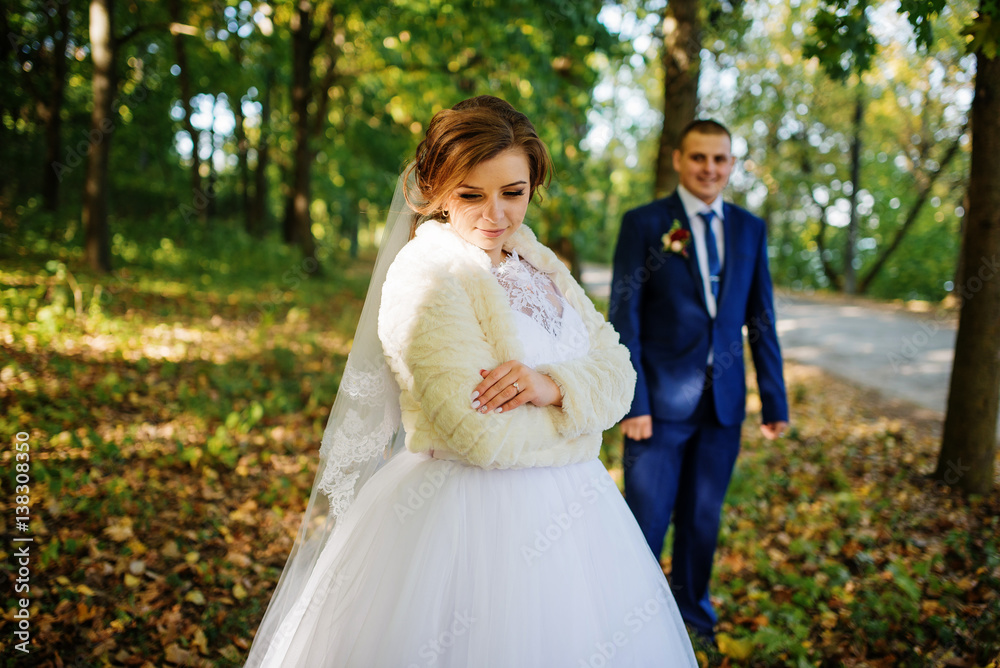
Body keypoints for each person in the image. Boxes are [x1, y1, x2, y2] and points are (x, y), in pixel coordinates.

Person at [244, 96, 697, 667]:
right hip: (458, 520)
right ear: (435, 190)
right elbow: (478, 434)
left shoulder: (536, 260)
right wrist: (584, 430)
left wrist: (550, 384)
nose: (496, 215)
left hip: (579, 520)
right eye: (470, 194)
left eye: (513, 192)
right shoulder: (426, 275)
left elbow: (621, 373)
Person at [609, 119, 789, 643]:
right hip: (657, 405)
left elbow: (762, 319)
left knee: (702, 518)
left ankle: (693, 616)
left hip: (725, 404)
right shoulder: (644, 223)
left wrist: (773, 401)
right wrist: (633, 401)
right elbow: (626, 316)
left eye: (720, 159)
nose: (709, 168)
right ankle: (629, 621)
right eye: (699, 158)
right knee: (647, 518)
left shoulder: (749, 228)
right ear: (678, 160)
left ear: (731, 164)